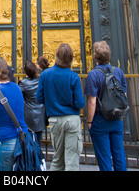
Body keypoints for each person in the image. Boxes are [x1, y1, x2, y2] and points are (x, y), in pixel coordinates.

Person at [36, 43, 85, 171]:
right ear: (71, 59)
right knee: (71, 160)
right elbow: (80, 103)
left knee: (57, 158)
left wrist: (51, 101)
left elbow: (39, 98)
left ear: (56, 56)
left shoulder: (45, 74)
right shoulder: (73, 76)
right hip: (71, 119)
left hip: (54, 120)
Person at [84, 41, 127, 171]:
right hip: (116, 117)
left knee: (104, 157)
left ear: (94, 57)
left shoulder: (93, 74)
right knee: (119, 154)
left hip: (100, 118)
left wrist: (89, 121)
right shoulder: (118, 72)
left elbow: (92, 101)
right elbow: (123, 95)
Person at [18, 60, 46, 146]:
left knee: (28, 142)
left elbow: (18, 97)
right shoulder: (40, 81)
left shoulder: (23, 83)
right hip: (40, 114)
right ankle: (38, 158)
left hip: (29, 115)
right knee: (38, 141)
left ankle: (31, 158)